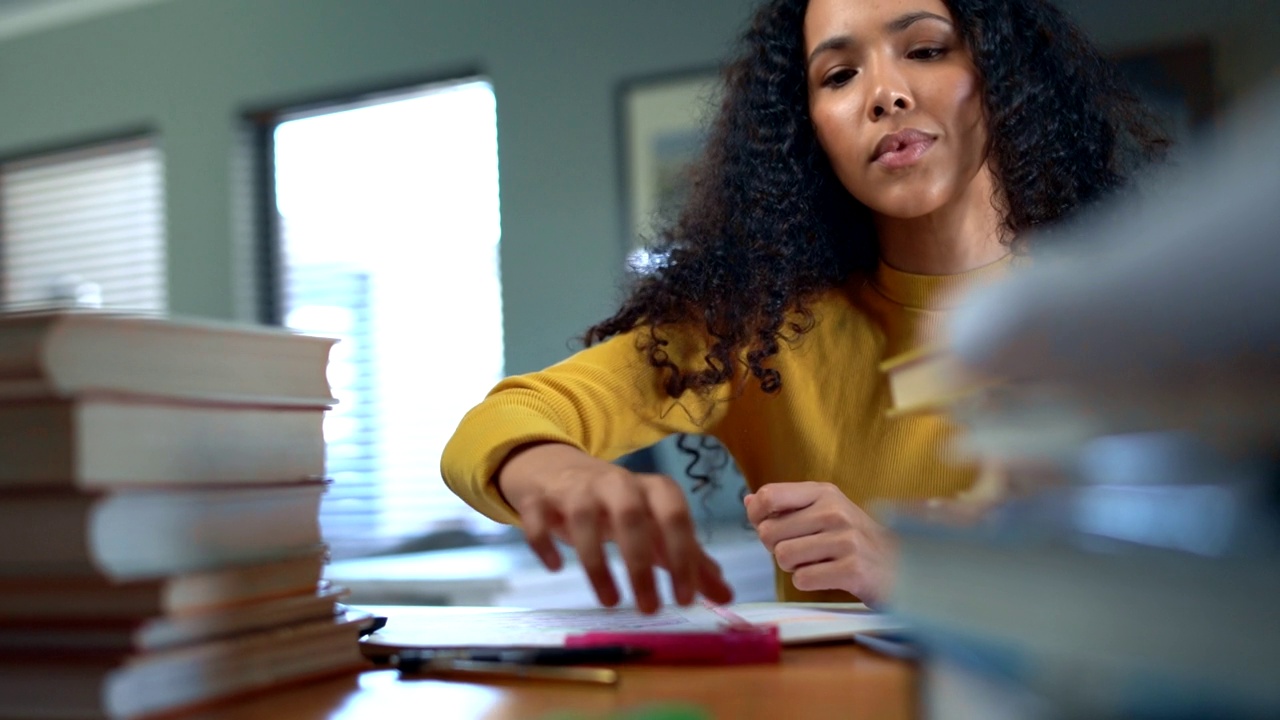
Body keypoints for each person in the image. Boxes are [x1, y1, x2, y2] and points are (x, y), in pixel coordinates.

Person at [441, 0, 1168, 613]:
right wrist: (567, 477)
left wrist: (913, 574)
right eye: (840, 74)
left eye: (925, 49)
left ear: (1000, 74)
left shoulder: (1129, 320)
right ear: (809, 125)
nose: (885, 93)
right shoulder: (761, 331)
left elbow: (1180, 607)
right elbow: (492, 428)